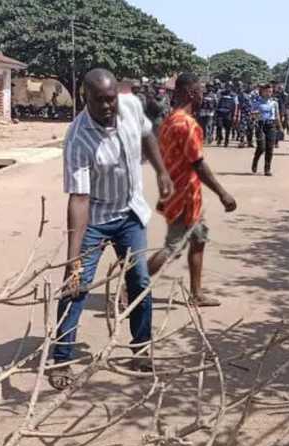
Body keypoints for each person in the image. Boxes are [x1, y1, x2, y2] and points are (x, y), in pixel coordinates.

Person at [50, 69, 175, 390]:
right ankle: (61, 358)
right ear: (85, 98)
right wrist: (73, 260)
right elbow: (79, 199)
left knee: (139, 281)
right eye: (99, 100)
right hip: (95, 217)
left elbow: (147, 135)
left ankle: (141, 350)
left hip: (130, 212)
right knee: (76, 286)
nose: (108, 106)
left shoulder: (129, 105)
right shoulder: (78, 138)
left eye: (111, 99)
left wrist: (161, 171)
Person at [147, 72, 237, 308]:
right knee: (173, 248)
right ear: (190, 93)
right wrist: (223, 193)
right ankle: (131, 286)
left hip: (181, 192)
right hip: (184, 196)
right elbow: (198, 164)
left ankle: (197, 294)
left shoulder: (170, 120)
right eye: (200, 91)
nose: (203, 95)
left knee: (198, 239)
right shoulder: (186, 124)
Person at [251, 83, 280, 176]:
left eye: (270, 91)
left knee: (270, 148)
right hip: (260, 125)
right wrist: (255, 114)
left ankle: (267, 169)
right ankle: (255, 161)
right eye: (266, 91)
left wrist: (280, 127)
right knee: (261, 147)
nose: (268, 93)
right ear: (262, 92)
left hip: (271, 125)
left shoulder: (274, 103)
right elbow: (252, 114)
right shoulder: (256, 102)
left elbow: (277, 116)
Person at [215, 82, 237, 147]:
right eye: (227, 86)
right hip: (220, 113)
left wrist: (234, 115)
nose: (228, 87)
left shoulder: (234, 95)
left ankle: (226, 141)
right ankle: (219, 138)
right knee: (219, 126)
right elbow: (217, 102)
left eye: (229, 86)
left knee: (228, 128)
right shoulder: (221, 93)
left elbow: (236, 105)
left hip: (228, 114)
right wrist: (216, 111)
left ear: (231, 87)